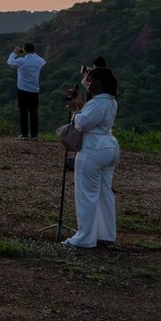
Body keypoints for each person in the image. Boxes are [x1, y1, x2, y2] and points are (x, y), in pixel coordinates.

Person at [62, 65, 120, 249]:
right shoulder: (110, 101)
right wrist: (80, 105)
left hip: (93, 148)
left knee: (86, 194)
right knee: (104, 192)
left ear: (100, 84)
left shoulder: (98, 103)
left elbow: (82, 122)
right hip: (109, 145)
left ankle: (85, 237)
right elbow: (92, 116)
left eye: (90, 80)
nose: (87, 84)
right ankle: (105, 233)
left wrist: (75, 111)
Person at [7, 42, 46, 139]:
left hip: (22, 90)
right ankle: (34, 135)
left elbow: (10, 62)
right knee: (34, 113)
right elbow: (43, 61)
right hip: (34, 90)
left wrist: (15, 52)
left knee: (23, 112)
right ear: (33, 50)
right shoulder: (38, 61)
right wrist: (33, 53)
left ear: (24, 50)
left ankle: (24, 134)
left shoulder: (21, 61)